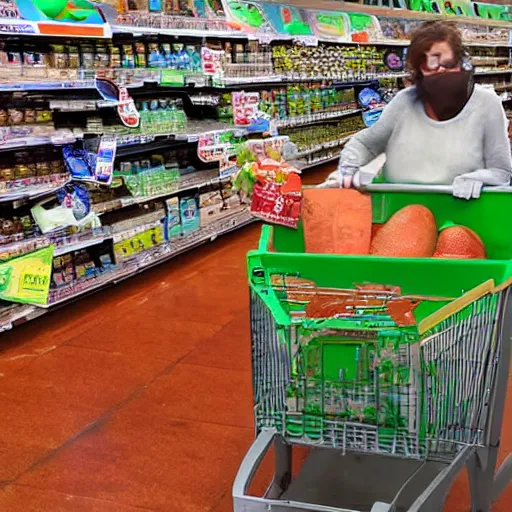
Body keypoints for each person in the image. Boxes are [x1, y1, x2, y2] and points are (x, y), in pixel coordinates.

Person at [320, 21, 512, 200]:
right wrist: (348, 166)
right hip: (400, 213)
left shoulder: (486, 104)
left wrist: (480, 178)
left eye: (448, 64)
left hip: (463, 215)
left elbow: (502, 171)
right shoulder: (404, 102)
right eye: (430, 66)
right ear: (419, 71)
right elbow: (366, 144)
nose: (440, 72)